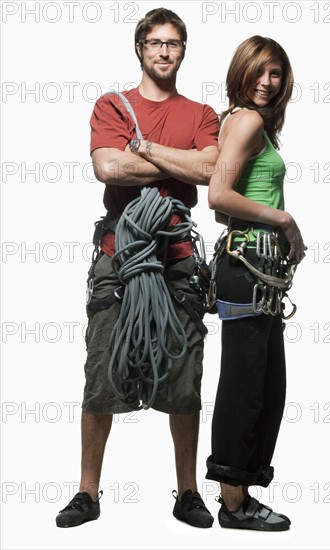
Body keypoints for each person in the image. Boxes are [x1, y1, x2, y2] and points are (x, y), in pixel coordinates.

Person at [55, 8, 219, 529]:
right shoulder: (111, 104)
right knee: (102, 362)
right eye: (155, 42)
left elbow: (212, 169)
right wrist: (179, 161)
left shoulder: (201, 113)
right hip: (118, 254)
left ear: (183, 50)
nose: (164, 52)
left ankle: (188, 491)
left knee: (183, 366)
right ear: (140, 49)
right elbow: (107, 166)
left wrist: (143, 149)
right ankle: (87, 492)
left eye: (174, 43)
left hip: (177, 258)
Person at [205, 36, 307, 531]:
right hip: (246, 267)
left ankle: (240, 493)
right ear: (242, 71)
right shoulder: (245, 120)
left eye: (277, 74)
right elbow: (218, 196)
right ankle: (233, 503)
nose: (268, 83)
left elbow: (227, 199)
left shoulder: (253, 125)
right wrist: (284, 220)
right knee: (245, 387)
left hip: (258, 270)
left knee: (266, 386)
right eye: (260, 72)